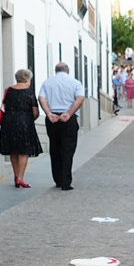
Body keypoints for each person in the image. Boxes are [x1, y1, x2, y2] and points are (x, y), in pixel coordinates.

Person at [38, 61, 85, 191]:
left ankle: (58, 179)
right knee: (68, 150)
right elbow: (80, 98)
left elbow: (41, 98)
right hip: (68, 119)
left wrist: (48, 113)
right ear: (67, 70)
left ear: (56, 70)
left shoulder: (47, 82)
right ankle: (66, 182)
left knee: (55, 149)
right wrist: (69, 113)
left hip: (53, 119)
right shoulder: (75, 83)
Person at [0, 69, 42, 188]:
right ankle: (20, 178)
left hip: (9, 122)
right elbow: (35, 112)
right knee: (24, 150)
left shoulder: (8, 91)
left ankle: (16, 175)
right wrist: (28, 119)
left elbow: (5, 106)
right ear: (28, 78)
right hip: (25, 122)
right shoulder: (29, 92)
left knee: (13, 150)